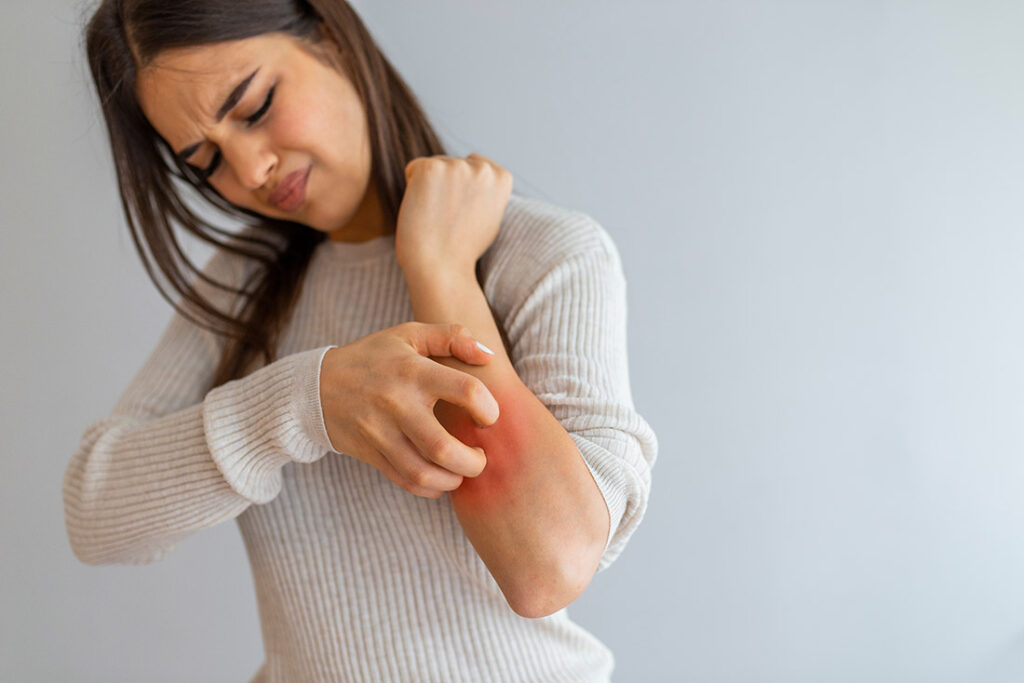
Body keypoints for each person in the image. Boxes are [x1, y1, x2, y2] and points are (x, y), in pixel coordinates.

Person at [62, 1, 658, 680]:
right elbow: (95, 511)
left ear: (330, 37)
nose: (251, 168)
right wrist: (304, 402)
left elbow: (546, 567)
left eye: (254, 107)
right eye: (206, 162)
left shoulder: (543, 257)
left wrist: (438, 269)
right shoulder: (243, 292)